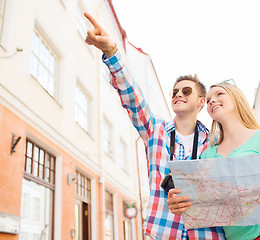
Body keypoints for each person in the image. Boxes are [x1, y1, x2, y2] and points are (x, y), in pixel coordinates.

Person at [84, 13, 225, 239]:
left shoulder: (215, 142)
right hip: (162, 233)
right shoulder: (155, 129)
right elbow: (132, 96)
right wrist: (111, 52)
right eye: (175, 91)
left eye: (186, 91)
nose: (179, 94)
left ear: (201, 102)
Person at [167, 81, 260, 240]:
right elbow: (203, 205)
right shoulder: (207, 155)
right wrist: (179, 204)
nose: (212, 100)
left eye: (219, 94)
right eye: (209, 98)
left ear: (236, 99)